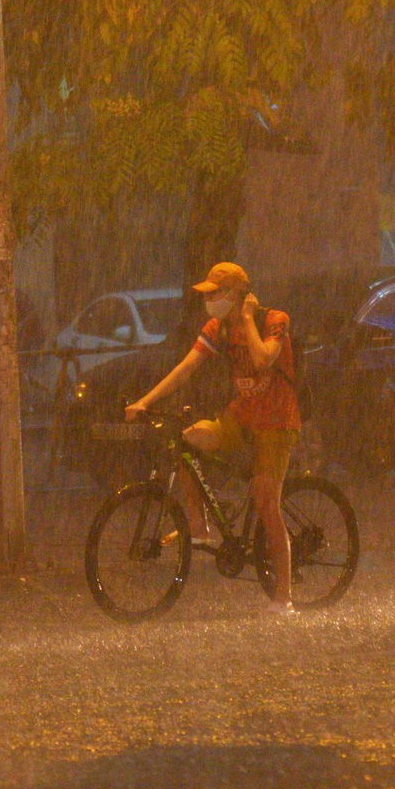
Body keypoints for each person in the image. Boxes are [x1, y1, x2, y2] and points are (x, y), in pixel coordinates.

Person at [125, 262, 300, 614]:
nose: (210, 300)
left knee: (267, 504)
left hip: (278, 422)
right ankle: (200, 527)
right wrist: (145, 401)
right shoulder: (216, 328)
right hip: (243, 414)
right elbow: (185, 368)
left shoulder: (273, 320)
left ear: (238, 294)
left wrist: (248, 319)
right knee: (189, 440)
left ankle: (284, 596)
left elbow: (264, 359)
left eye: (216, 293)